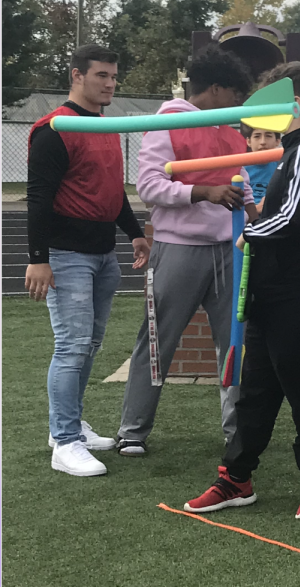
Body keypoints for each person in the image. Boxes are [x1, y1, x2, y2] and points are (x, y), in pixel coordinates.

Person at [185, 62, 300, 519]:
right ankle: (236, 478)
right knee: (255, 391)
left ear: (294, 105)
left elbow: (291, 218)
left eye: (272, 101)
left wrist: (251, 232)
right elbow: (283, 216)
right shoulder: (289, 152)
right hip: (272, 294)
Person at [116, 46, 257, 456]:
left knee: (235, 342)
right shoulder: (168, 122)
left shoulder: (231, 130)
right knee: (158, 339)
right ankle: (133, 430)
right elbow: (149, 186)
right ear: (214, 89)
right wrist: (203, 192)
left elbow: (243, 182)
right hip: (178, 250)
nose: (238, 105)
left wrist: (254, 217)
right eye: (234, 95)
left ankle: (238, 432)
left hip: (229, 250)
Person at [26, 44, 150, 477]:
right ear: (77, 75)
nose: (111, 84)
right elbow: (39, 198)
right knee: (72, 347)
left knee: (90, 345)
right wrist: (38, 258)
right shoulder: (54, 129)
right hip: (66, 255)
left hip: (102, 254)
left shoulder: (106, 126)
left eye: (114, 76)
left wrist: (134, 234)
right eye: (102, 76)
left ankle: (70, 423)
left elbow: (111, 191)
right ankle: (64, 440)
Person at [244, 127, 281, 207]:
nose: (263, 142)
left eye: (268, 136)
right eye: (257, 136)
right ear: (248, 141)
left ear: (277, 141)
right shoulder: (239, 167)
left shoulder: (283, 166)